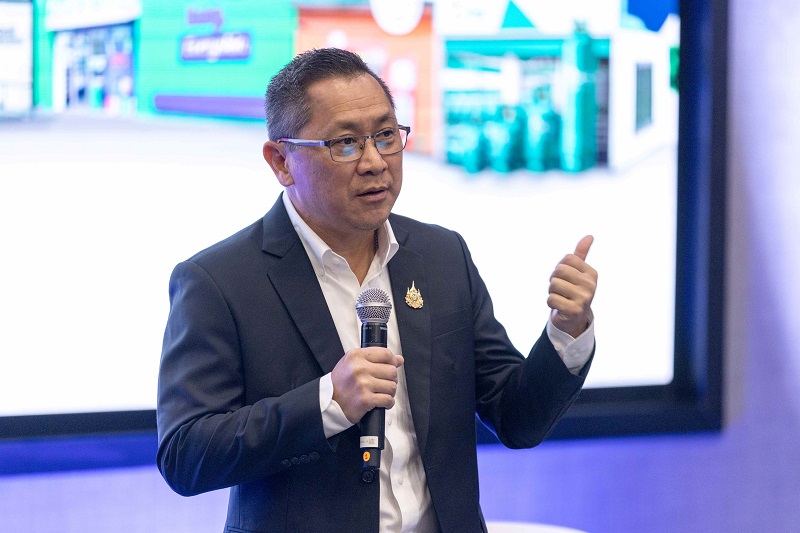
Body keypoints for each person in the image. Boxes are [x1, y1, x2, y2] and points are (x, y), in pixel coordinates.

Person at [157, 48, 598, 533]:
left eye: (386, 136)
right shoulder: (219, 281)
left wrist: (567, 331)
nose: (374, 162)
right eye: (345, 143)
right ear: (281, 162)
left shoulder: (441, 256)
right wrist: (328, 403)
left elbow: (517, 418)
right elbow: (186, 455)